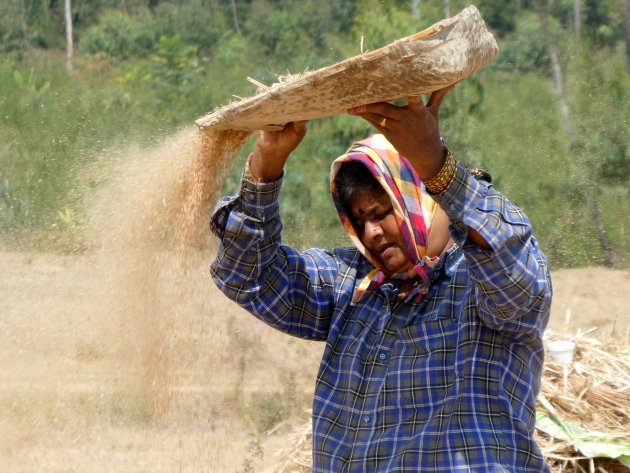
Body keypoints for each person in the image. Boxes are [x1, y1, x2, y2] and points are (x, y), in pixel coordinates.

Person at [210, 87, 552, 473]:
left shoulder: (477, 283)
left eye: (381, 211)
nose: (370, 233)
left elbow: (512, 267)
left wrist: (436, 165)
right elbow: (247, 274)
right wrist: (266, 164)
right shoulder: (352, 287)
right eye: (359, 222)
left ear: (420, 196)